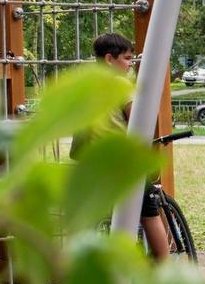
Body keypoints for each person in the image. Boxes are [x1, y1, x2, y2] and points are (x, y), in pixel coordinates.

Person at [71, 33, 170, 261]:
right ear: (109, 59)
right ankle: (164, 264)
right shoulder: (120, 84)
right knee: (149, 214)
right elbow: (138, 120)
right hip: (119, 162)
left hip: (89, 162)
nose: (130, 64)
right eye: (126, 58)